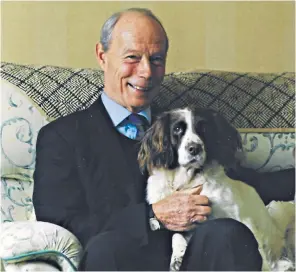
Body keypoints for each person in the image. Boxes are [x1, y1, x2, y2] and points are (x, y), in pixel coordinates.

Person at [33, 8, 295, 271]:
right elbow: (59, 221)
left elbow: (241, 183)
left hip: (197, 261)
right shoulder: (63, 137)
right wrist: (152, 217)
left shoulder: (184, 127)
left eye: (156, 59)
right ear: (102, 56)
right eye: (133, 57)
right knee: (107, 247)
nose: (146, 71)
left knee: (227, 233)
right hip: (123, 261)